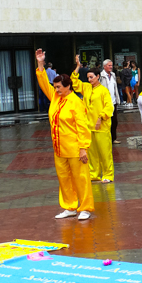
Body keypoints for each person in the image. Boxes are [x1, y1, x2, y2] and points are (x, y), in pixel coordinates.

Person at [34, 49, 93, 220]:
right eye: (55, 87)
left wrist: (83, 148)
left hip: (75, 148)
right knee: (64, 178)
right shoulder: (56, 97)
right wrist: (40, 63)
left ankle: (85, 207)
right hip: (59, 148)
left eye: (59, 87)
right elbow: (43, 81)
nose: (56, 89)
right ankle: (69, 206)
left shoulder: (76, 102)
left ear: (68, 86)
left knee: (81, 178)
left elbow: (82, 126)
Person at [71, 57, 115, 184]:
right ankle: (94, 174)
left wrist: (101, 117)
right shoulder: (86, 88)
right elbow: (74, 83)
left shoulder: (103, 91)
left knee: (105, 152)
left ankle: (108, 174)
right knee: (92, 153)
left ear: (97, 77)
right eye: (88, 77)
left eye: (91, 77)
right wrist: (78, 66)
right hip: (89, 126)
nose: (89, 80)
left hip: (102, 127)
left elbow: (109, 106)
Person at [100, 59, 121, 145]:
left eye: (111, 65)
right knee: (106, 121)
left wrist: (117, 99)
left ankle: (113, 138)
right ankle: (106, 138)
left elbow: (115, 88)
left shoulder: (113, 75)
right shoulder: (101, 76)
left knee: (114, 121)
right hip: (105, 102)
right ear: (104, 66)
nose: (111, 67)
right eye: (109, 65)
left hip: (113, 101)